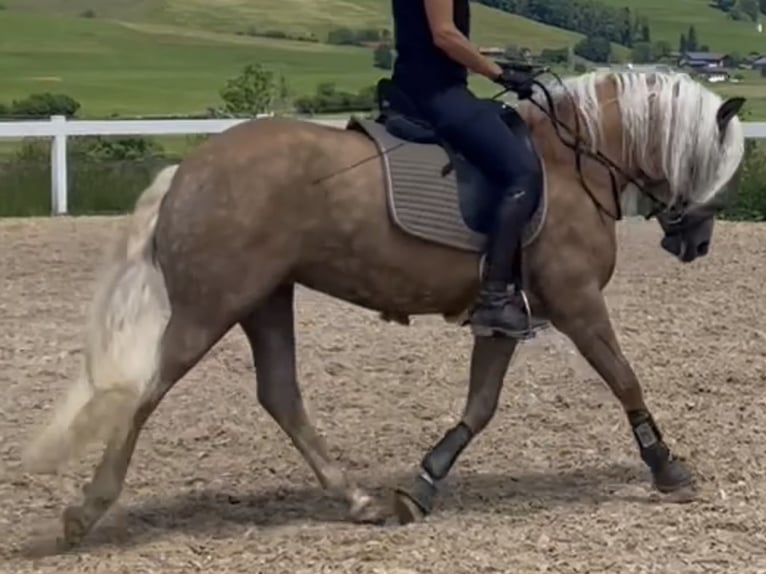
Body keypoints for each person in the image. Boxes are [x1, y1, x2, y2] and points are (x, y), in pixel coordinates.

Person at [390, 0, 547, 339]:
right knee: (522, 173)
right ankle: (494, 296)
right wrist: (500, 74)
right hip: (436, 94)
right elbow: (445, 35)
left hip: (423, 87)